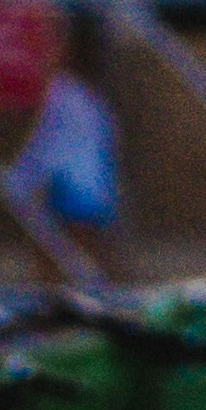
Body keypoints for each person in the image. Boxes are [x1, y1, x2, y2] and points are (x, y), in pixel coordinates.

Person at [20, 44, 124, 264]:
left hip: (74, 186)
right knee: (86, 245)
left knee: (62, 244)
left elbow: (47, 142)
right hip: (88, 184)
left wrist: (21, 178)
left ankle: (55, 292)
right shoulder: (78, 95)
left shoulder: (63, 96)